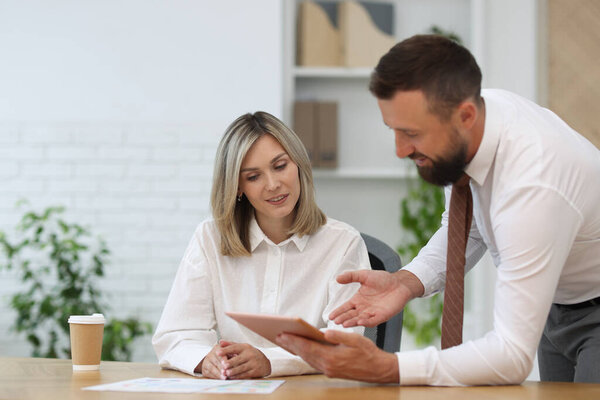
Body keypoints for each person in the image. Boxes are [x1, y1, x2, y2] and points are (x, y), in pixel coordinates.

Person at [275, 34, 600, 385]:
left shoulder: (532, 184)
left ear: (466, 116)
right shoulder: (464, 134)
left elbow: (511, 356)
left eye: (411, 133)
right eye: (394, 130)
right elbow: (466, 228)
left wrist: (388, 367)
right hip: (558, 303)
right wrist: (406, 282)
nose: (401, 150)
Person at [152, 111, 369, 379]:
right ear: (237, 187)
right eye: (253, 177)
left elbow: (342, 341)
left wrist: (270, 361)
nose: (273, 185)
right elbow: (175, 334)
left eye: (280, 166)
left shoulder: (343, 243)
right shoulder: (210, 237)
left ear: (298, 165)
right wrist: (204, 359)